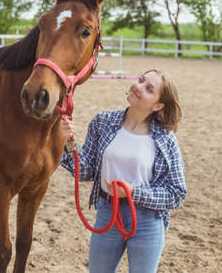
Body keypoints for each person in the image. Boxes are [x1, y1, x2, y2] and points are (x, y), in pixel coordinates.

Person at [60, 69, 187, 273]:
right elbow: (85, 171)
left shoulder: (166, 139)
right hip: (107, 213)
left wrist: (134, 192)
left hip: (147, 222)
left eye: (148, 89)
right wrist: (67, 142)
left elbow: (176, 193)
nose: (138, 86)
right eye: (140, 80)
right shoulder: (103, 122)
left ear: (158, 105)